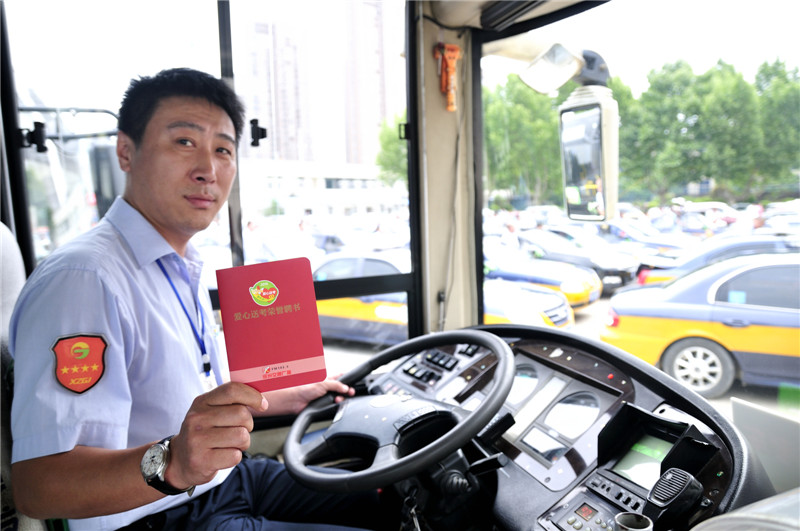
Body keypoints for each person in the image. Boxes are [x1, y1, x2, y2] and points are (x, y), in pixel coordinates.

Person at [9, 68, 388, 530]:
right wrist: (172, 462)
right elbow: (39, 486)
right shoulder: (85, 280)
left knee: (390, 496)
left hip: (225, 482)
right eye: (184, 142)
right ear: (126, 152)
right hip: (155, 515)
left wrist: (276, 397)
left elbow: (176, 402)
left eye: (223, 150)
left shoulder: (180, 262)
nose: (208, 169)